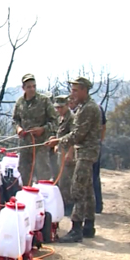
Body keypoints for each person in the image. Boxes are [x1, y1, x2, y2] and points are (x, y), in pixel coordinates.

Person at [44, 77, 102, 242]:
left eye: (76, 90)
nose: (73, 93)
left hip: (85, 153)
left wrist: (58, 141)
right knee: (88, 190)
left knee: (77, 190)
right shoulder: (84, 107)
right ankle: (89, 226)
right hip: (85, 152)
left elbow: (78, 134)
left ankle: (76, 229)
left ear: (84, 90)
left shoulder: (88, 109)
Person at [12, 74, 58, 185]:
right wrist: (18, 128)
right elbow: (14, 120)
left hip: (41, 145)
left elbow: (55, 121)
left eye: (34, 86)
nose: (32, 89)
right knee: (24, 172)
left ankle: (44, 198)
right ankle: (27, 197)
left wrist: (43, 129)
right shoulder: (19, 102)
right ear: (23, 88)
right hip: (24, 145)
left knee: (43, 175)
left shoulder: (44, 101)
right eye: (29, 87)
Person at [53, 95, 75, 217]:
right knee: (61, 179)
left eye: (61, 107)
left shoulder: (71, 118)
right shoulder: (61, 118)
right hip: (61, 151)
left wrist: (70, 152)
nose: (59, 110)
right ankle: (63, 204)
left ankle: (69, 206)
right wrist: (56, 143)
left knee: (67, 180)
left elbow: (74, 136)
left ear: (67, 105)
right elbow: (60, 133)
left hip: (68, 152)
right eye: (57, 108)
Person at [93, 105, 107, 213]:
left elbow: (103, 126)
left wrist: (98, 142)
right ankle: (97, 206)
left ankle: (97, 205)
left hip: (92, 147)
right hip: (95, 145)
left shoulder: (94, 108)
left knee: (93, 177)